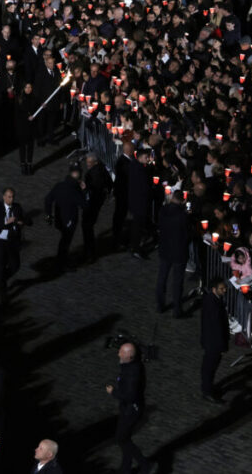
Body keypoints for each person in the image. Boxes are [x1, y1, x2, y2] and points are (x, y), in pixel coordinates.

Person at [105, 342, 152, 474]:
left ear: (129, 356)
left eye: (121, 352)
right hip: (128, 409)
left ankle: (144, 463)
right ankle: (126, 469)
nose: (118, 354)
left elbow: (130, 396)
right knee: (124, 438)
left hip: (130, 411)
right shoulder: (131, 364)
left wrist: (113, 392)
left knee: (122, 439)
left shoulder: (132, 373)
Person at [155, 190, 190, 318]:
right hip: (179, 252)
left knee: (162, 278)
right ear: (182, 200)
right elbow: (187, 234)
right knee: (177, 282)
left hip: (165, 249)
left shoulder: (163, 210)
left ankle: (160, 305)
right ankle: (177, 310)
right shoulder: (183, 216)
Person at [44, 166, 86, 269]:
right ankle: (62, 262)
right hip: (69, 222)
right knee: (65, 242)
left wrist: (49, 215)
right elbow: (84, 205)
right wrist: (84, 191)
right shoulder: (74, 191)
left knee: (64, 240)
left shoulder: (59, 185)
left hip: (59, 220)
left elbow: (48, 200)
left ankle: (61, 260)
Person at [0, 187, 25, 299]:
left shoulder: (17, 207)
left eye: (12, 197)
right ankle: (3, 295)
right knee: (0, 267)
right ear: (4, 197)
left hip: (12, 241)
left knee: (15, 265)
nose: (11, 199)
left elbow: (26, 220)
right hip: (0, 242)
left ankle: (0, 279)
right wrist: (6, 223)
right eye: (9, 197)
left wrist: (21, 222)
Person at [200, 278, 229, 403]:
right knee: (210, 367)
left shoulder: (211, 300)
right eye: (222, 288)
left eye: (224, 288)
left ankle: (208, 388)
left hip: (210, 341)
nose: (225, 290)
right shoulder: (213, 304)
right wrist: (222, 345)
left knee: (209, 366)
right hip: (214, 342)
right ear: (214, 289)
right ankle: (207, 391)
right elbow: (217, 327)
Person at [81, 153, 113, 263]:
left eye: (89, 162)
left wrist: (84, 189)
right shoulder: (103, 169)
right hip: (97, 202)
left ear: (95, 162)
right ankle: (89, 250)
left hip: (92, 204)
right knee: (88, 226)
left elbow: (92, 192)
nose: (87, 164)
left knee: (87, 226)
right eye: (87, 162)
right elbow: (110, 183)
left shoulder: (94, 174)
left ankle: (89, 252)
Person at [15, 82, 39, 175]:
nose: (28, 89)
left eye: (30, 87)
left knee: (30, 146)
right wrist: (26, 117)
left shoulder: (34, 98)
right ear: (23, 88)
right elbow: (17, 113)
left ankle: (29, 164)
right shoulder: (19, 99)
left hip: (31, 126)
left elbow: (36, 110)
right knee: (22, 147)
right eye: (26, 87)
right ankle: (23, 165)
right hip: (22, 126)